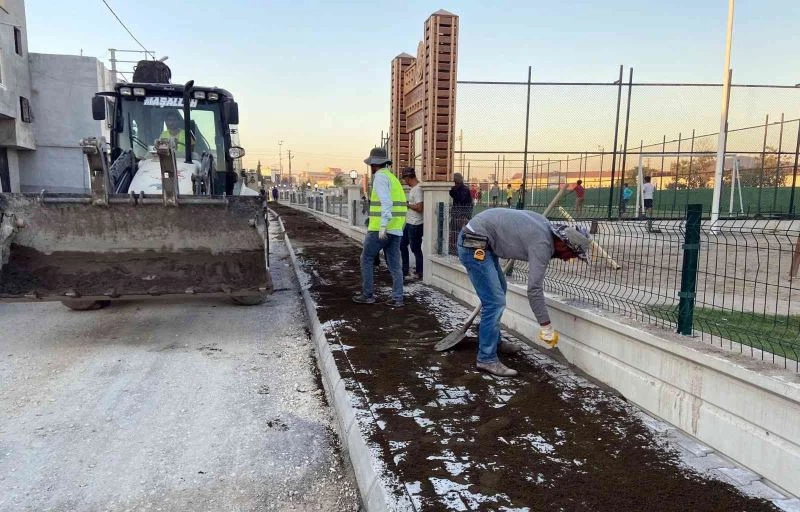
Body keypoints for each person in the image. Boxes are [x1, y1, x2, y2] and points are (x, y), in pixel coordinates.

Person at [458, 209, 592, 376]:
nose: (567, 259)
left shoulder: (545, 226)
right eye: (571, 254)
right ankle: (486, 358)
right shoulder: (542, 245)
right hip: (473, 244)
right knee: (494, 302)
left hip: (483, 240)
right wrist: (546, 326)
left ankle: (494, 342)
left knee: (499, 292)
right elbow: (534, 290)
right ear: (563, 244)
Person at [353, 147, 407, 307]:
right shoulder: (393, 178)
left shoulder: (380, 177)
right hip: (396, 229)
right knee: (395, 265)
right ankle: (398, 298)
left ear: (374, 165)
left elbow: (387, 203)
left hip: (380, 229)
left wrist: (383, 226)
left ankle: (367, 295)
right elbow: (400, 206)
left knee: (366, 259)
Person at [400, 167, 423, 280]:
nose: (405, 182)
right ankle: (404, 270)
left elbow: (419, 207)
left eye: (405, 179)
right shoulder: (414, 189)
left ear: (408, 178)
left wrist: (407, 204)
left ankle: (419, 272)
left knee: (415, 248)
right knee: (402, 244)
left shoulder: (417, 189)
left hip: (415, 224)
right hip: (410, 223)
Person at [449, 173, 473, 255]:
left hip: (462, 216)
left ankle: (458, 251)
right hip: (457, 215)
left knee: (459, 234)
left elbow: (460, 199)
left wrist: (452, 189)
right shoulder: (459, 189)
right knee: (454, 233)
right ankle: (454, 250)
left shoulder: (464, 189)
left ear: (455, 181)